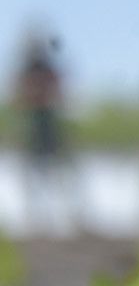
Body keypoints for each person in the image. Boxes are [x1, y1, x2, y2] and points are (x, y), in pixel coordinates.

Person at [13, 28, 86, 233]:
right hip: (33, 131)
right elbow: (20, 98)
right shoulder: (26, 69)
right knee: (33, 177)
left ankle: (75, 217)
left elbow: (59, 92)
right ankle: (38, 221)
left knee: (65, 173)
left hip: (51, 130)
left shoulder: (49, 68)